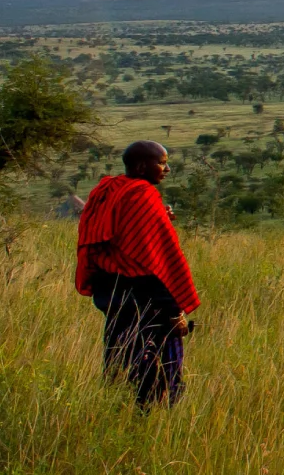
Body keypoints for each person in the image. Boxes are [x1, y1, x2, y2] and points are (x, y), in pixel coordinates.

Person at [75, 141, 200, 409]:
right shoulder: (142, 196)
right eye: (161, 162)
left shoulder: (110, 188)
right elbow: (154, 262)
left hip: (110, 292)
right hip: (143, 295)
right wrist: (174, 310)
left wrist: (158, 216)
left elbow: (113, 230)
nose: (167, 168)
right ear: (142, 166)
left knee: (120, 354)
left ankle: (119, 408)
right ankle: (150, 415)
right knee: (151, 363)